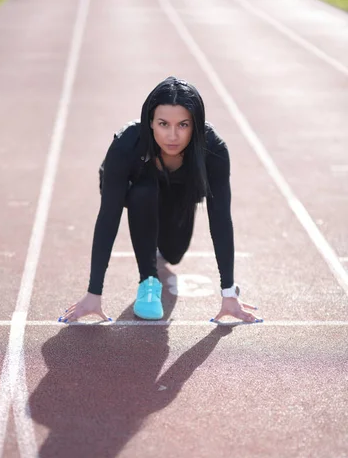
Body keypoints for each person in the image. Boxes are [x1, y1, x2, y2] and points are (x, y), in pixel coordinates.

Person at [59, 77, 262, 324]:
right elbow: (108, 217)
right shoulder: (127, 145)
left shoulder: (213, 149)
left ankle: (159, 240)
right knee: (143, 192)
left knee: (174, 254)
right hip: (137, 189)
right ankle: (148, 280)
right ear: (151, 123)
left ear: (195, 125)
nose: (172, 136)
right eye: (163, 124)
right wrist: (94, 292)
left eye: (183, 125)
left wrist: (228, 293)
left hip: (181, 191)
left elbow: (220, 219)